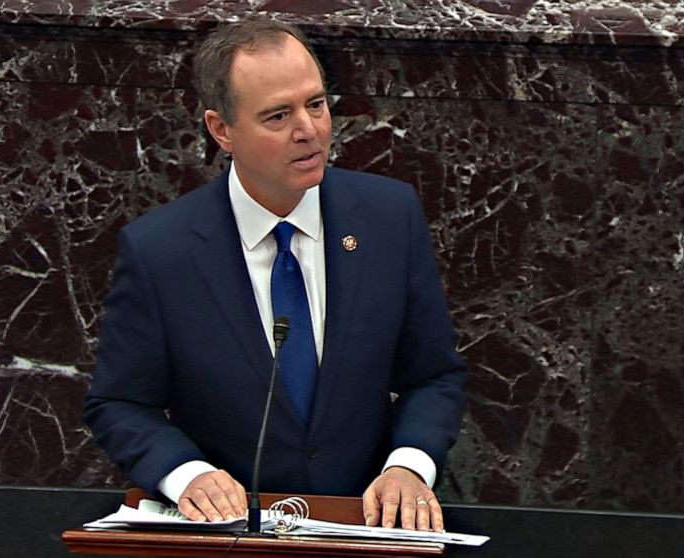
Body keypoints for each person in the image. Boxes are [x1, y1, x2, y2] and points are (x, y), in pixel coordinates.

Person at [82, 17, 467, 532]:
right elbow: (120, 402)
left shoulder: (387, 218)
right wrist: (187, 475)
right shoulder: (161, 250)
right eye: (277, 116)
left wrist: (408, 466)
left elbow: (432, 375)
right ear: (222, 130)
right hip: (232, 535)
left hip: (363, 526)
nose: (308, 130)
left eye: (316, 104)